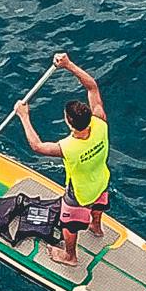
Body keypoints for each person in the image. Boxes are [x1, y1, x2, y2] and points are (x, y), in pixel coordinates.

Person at [14, 52, 110, 266]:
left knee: (69, 224)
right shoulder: (100, 121)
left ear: (69, 122)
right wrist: (69, 65)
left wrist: (24, 116)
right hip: (102, 181)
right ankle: (96, 226)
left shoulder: (68, 147)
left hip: (80, 194)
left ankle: (70, 256)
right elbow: (92, 87)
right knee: (98, 203)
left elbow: (37, 146)